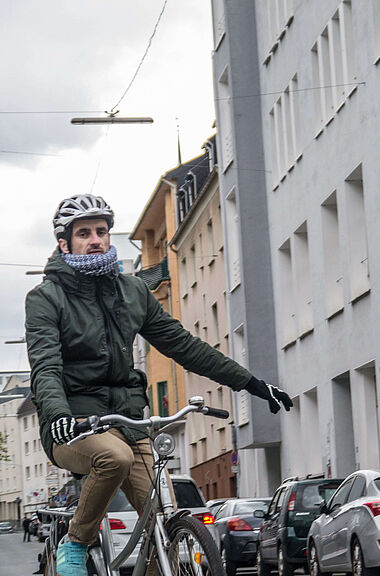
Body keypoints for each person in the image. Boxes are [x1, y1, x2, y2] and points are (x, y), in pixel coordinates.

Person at [25, 194, 293, 576]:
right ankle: (76, 541)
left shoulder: (132, 291)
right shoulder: (46, 298)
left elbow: (184, 346)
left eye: (101, 231)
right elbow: (46, 368)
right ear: (64, 243)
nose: (96, 239)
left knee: (161, 512)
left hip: (131, 422)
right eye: (84, 233)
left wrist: (251, 383)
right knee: (113, 459)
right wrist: (58, 416)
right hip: (75, 426)